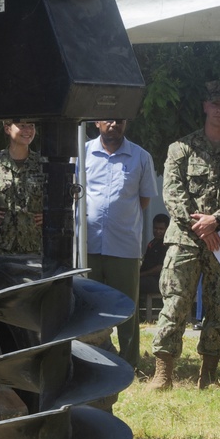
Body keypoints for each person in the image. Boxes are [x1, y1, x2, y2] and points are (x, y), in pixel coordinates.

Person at [149, 81, 220, 391]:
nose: (219, 109)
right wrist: (201, 227)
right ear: (205, 107)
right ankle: (163, 374)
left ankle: (208, 374)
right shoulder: (181, 148)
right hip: (184, 239)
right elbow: (172, 194)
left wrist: (216, 221)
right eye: (214, 103)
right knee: (176, 303)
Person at [84, 119, 157, 366]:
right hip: (89, 245)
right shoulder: (82, 153)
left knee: (127, 308)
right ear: (97, 122)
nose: (114, 123)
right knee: (89, 307)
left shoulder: (140, 156)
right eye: (108, 118)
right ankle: (92, 359)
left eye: (120, 119)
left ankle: (129, 362)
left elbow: (144, 200)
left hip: (124, 245)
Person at [0, 120, 43, 255]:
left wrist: (50, 215)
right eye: (22, 126)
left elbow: (61, 196)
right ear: (7, 129)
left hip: (34, 243)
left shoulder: (43, 163)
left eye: (31, 126)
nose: (28, 130)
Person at [139, 214, 170, 298]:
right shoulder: (151, 244)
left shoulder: (166, 245)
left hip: (158, 280)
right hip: (147, 277)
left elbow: (160, 268)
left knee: (135, 283)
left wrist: (141, 274)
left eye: (161, 229)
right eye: (155, 228)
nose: (158, 231)